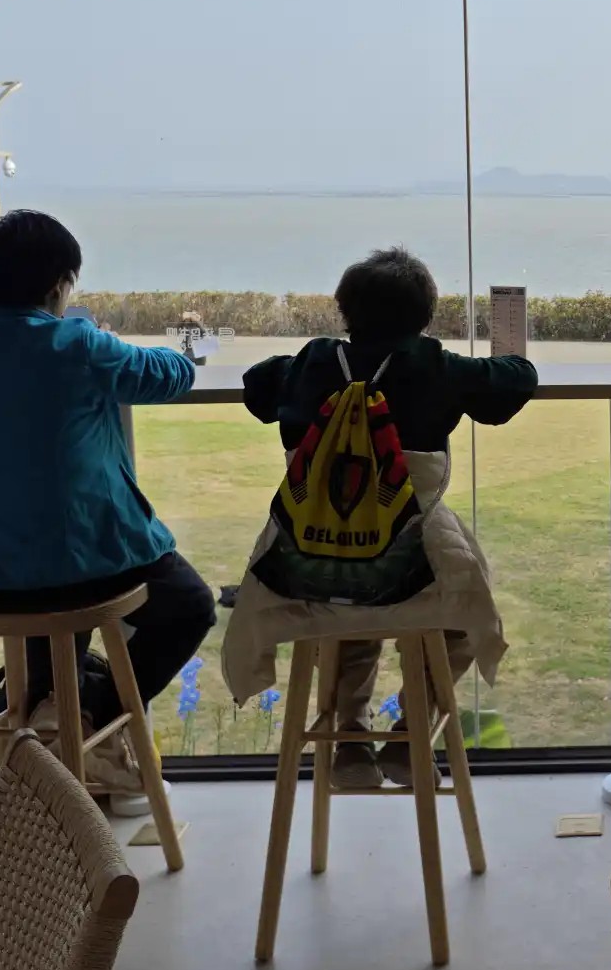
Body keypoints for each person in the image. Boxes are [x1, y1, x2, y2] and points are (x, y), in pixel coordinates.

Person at [0, 210, 215, 807]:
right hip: (83, 563)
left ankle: (50, 726)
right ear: (59, 285)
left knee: (48, 603)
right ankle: (90, 716)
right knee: (189, 603)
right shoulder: (76, 344)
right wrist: (174, 352)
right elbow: (167, 376)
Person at [228, 246, 536, 789]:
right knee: (463, 618)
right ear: (425, 316)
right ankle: (409, 733)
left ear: (346, 312)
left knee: (350, 612)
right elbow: (512, 383)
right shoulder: (434, 366)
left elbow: (257, 387)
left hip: (306, 564)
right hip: (411, 561)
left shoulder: (314, 361)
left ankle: (349, 737)